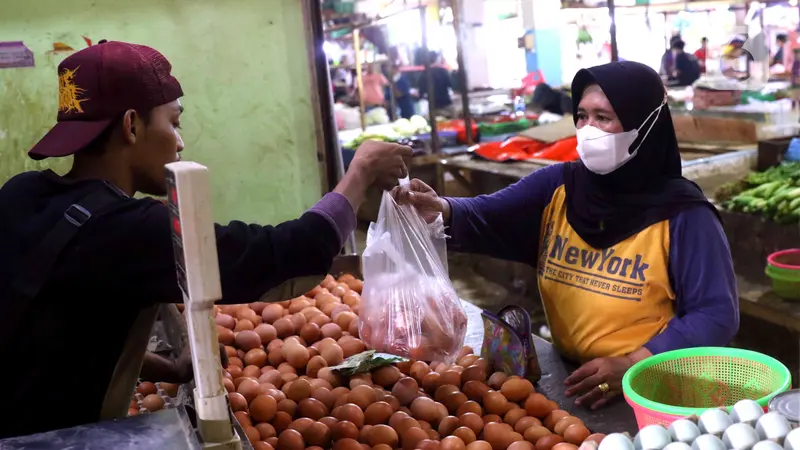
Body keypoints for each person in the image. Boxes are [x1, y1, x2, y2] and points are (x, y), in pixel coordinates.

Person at [0, 40, 411, 438]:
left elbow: (63, 336)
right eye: (173, 122)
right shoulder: (129, 230)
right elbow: (292, 254)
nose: (179, 141)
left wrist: (168, 369)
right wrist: (361, 174)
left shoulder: (20, 195)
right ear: (131, 125)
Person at [395, 61, 738, 410]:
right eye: (582, 116)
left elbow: (714, 314)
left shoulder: (685, 215)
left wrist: (635, 364)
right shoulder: (558, 187)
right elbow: (489, 214)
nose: (589, 129)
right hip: (575, 381)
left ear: (644, 125)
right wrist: (441, 209)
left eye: (603, 118)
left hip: (656, 390)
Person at [418, 51, 455, 118]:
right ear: (436, 59)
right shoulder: (443, 71)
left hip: (433, 106)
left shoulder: (424, 74)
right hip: (446, 103)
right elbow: (451, 85)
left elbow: (421, 93)